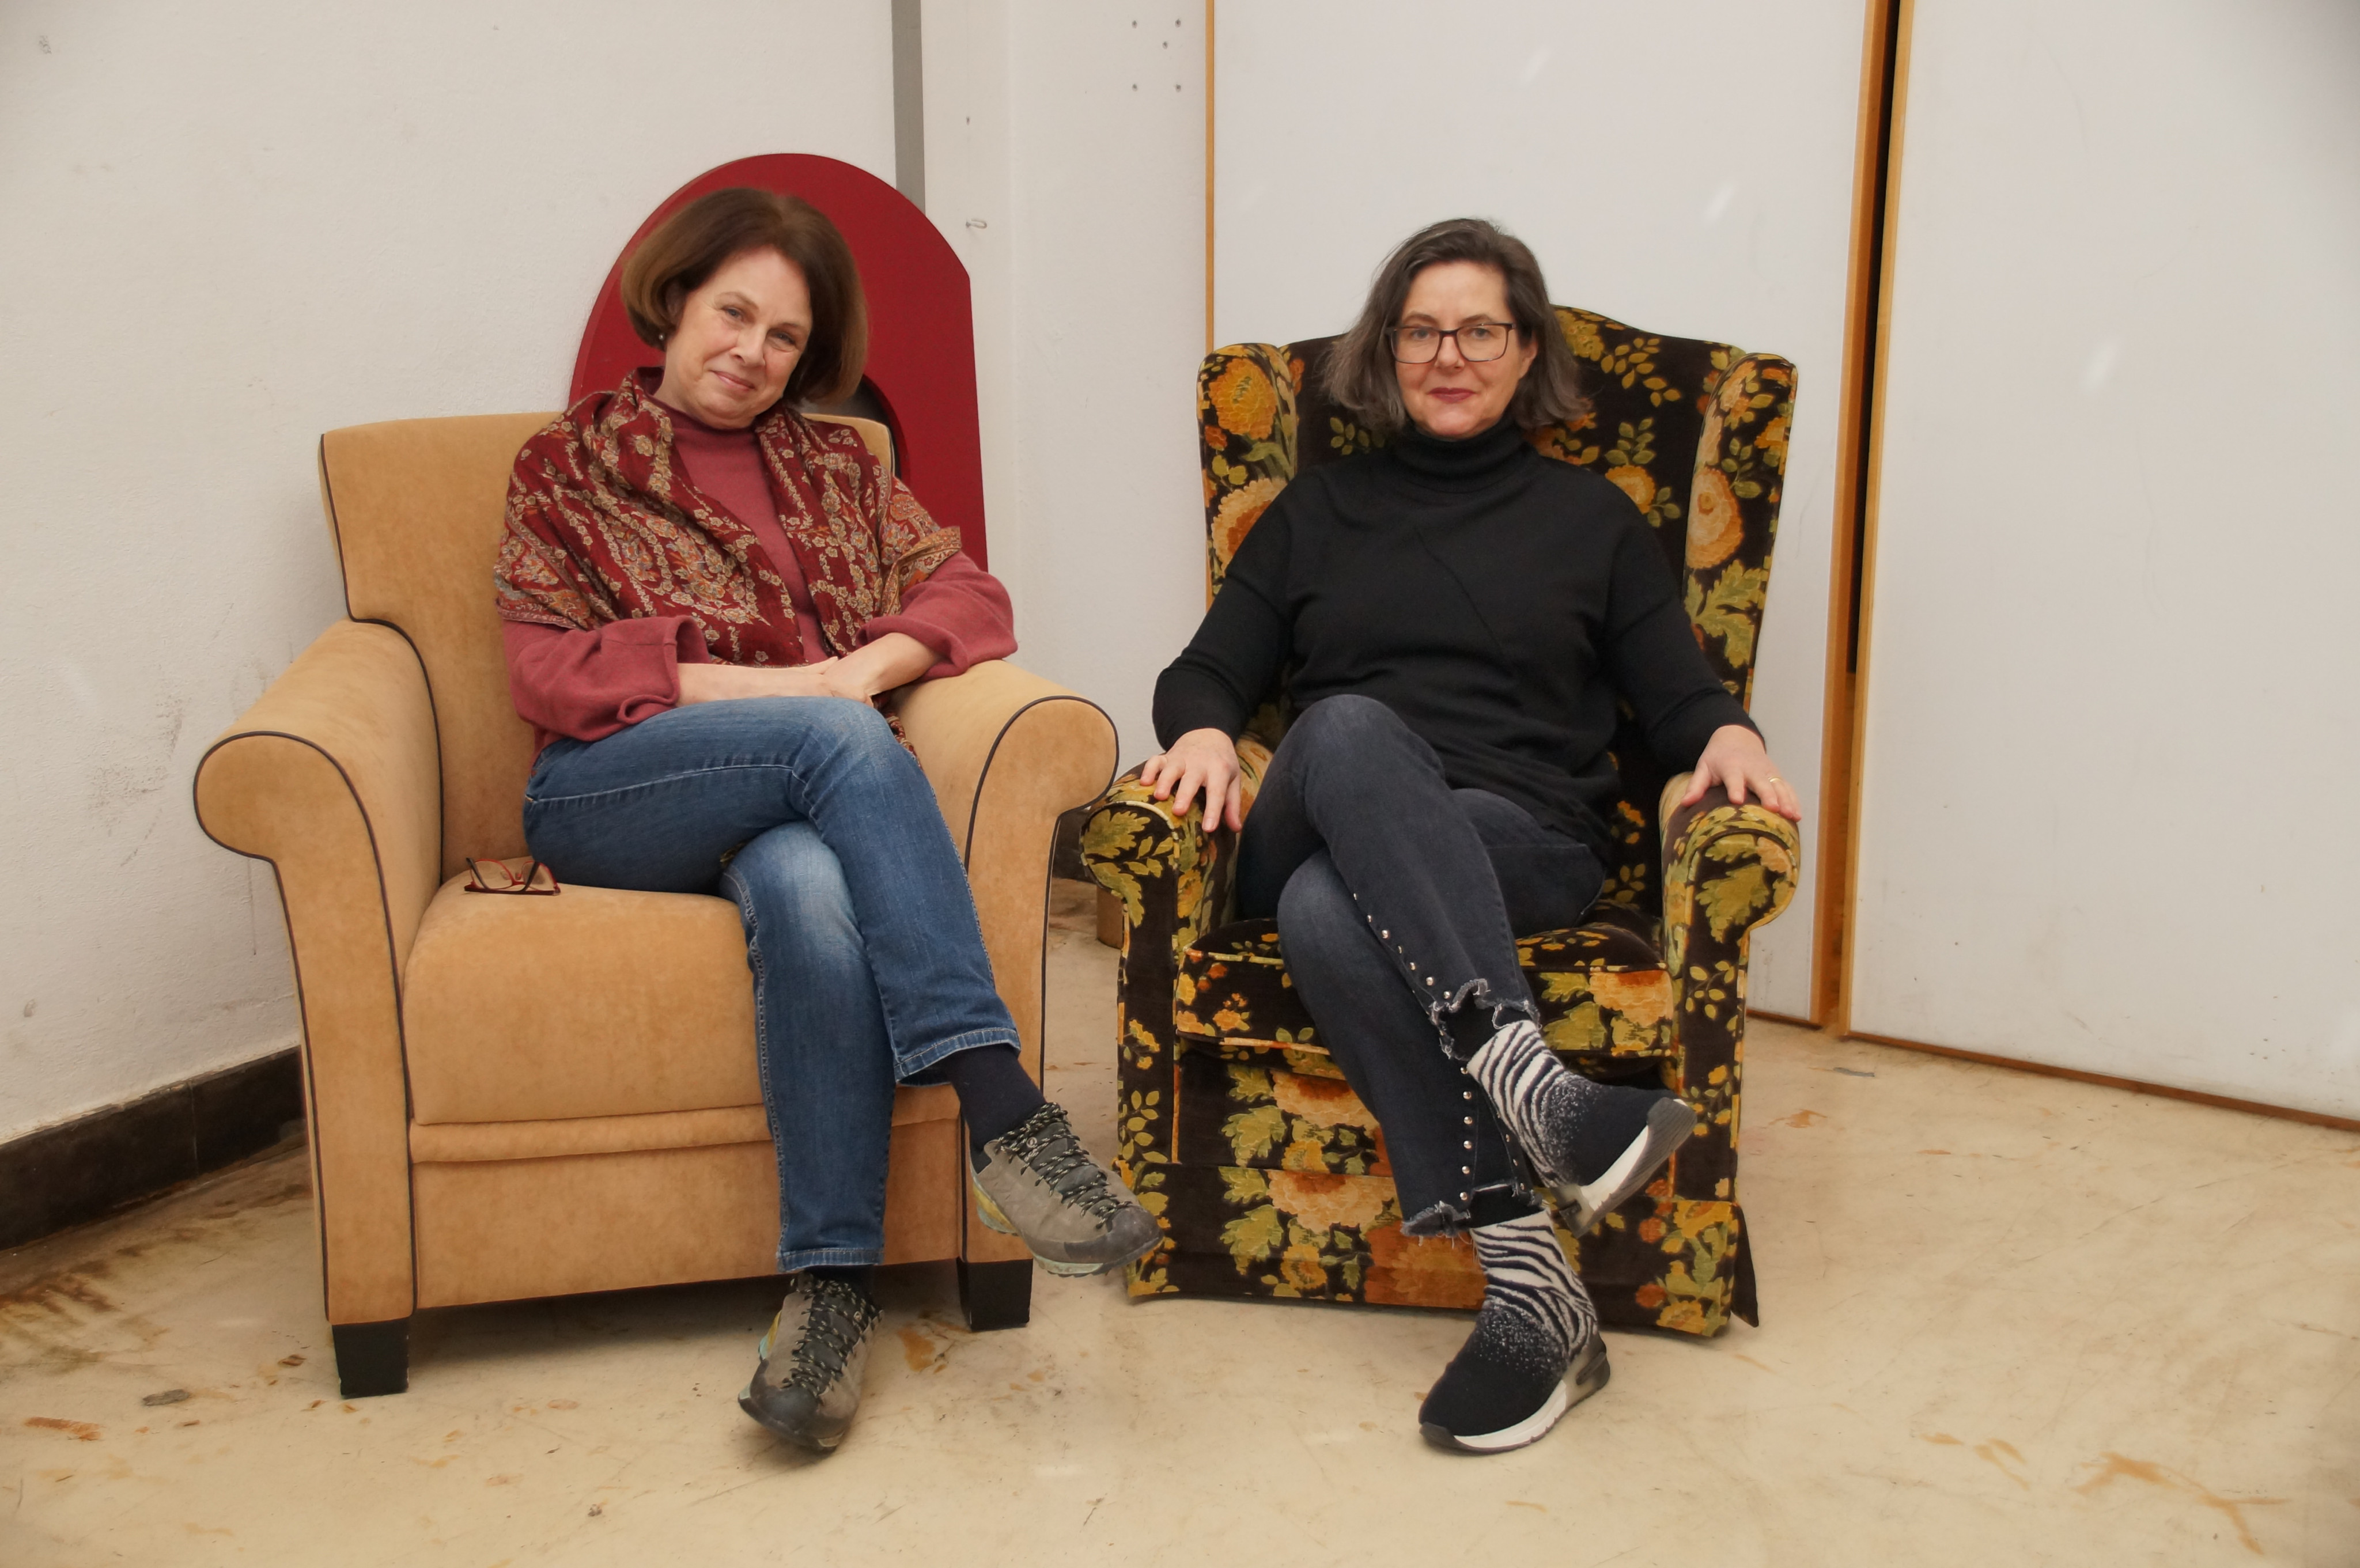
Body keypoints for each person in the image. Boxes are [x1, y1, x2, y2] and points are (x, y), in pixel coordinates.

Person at [494, 188, 1156, 1455]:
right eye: (732, 313)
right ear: (675, 300)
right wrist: (806, 696)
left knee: (809, 893)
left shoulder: (841, 465)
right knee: (841, 740)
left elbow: (969, 594)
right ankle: (1003, 1107)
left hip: (798, 796)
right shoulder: (566, 465)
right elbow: (548, 673)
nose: (751, 351)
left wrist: (858, 672)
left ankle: (830, 1292)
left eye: (785, 336)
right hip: (610, 793)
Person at [1141, 218, 1803, 1455]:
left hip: (1520, 834)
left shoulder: (1593, 521)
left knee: (1327, 907)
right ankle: (1539, 1091)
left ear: (1525, 350)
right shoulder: (1318, 509)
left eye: (1479, 331)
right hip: (1327, 794)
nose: (1448, 356)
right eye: (1421, 332)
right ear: (1386, 351)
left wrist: (1729, 735)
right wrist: (1205, 733)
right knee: (1347, 730)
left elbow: (1677, 695)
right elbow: (1204, 670)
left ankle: (1534, 1294)